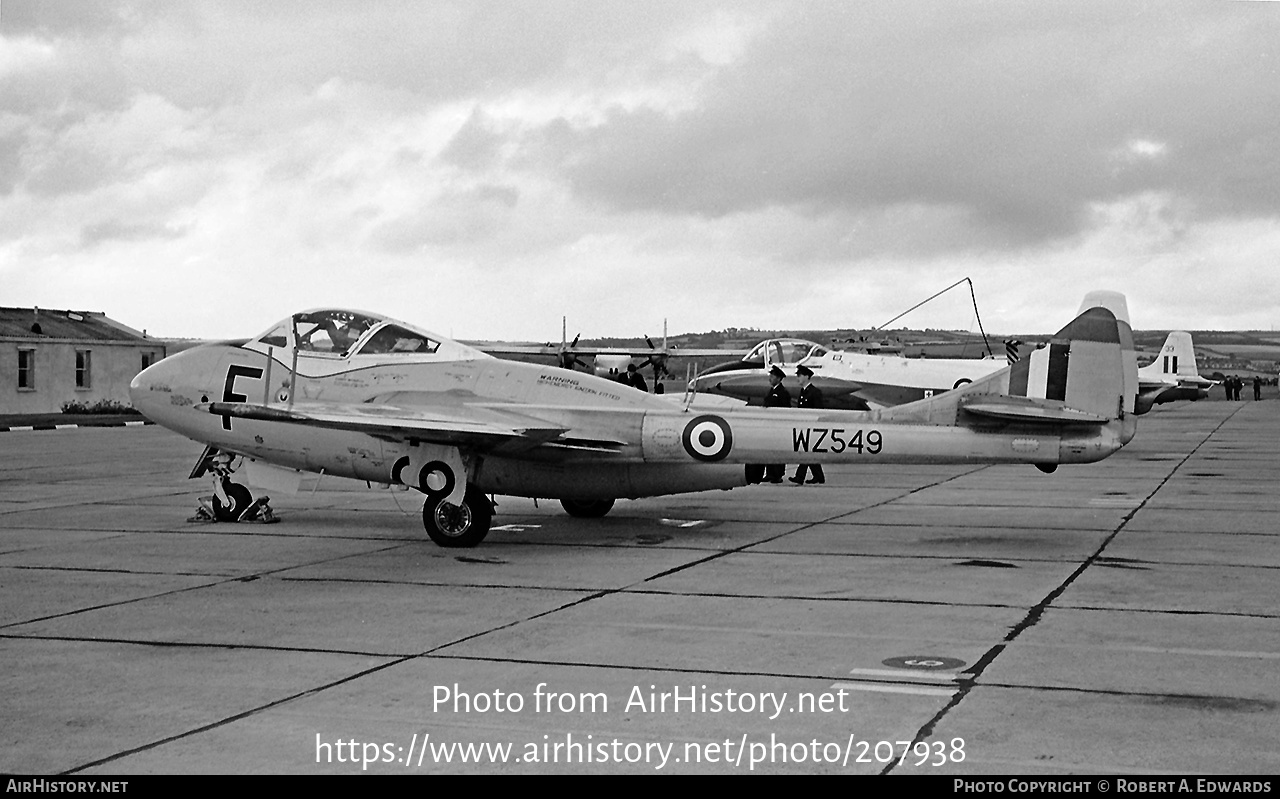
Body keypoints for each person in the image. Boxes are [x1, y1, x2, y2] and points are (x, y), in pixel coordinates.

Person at [789, 365, 825, 484]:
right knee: (808, 452)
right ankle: (818, 476)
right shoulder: (803, 392)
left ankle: (800, 477)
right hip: (804, 426)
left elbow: (818, 410)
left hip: (811, 427)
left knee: (806, 452)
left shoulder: (815, 392)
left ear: (806, 376)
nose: (797, 378)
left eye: (799, 376)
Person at [763, 365, 791, 483]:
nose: (770, 378)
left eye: (773, 376)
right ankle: (770, 473)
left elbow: (785, 410)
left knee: (778, 449)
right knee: (770, 448)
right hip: (770, 426)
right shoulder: (772, 391)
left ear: (779, 379)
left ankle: (778, 474)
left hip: (779, 426)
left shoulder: (783, 393)